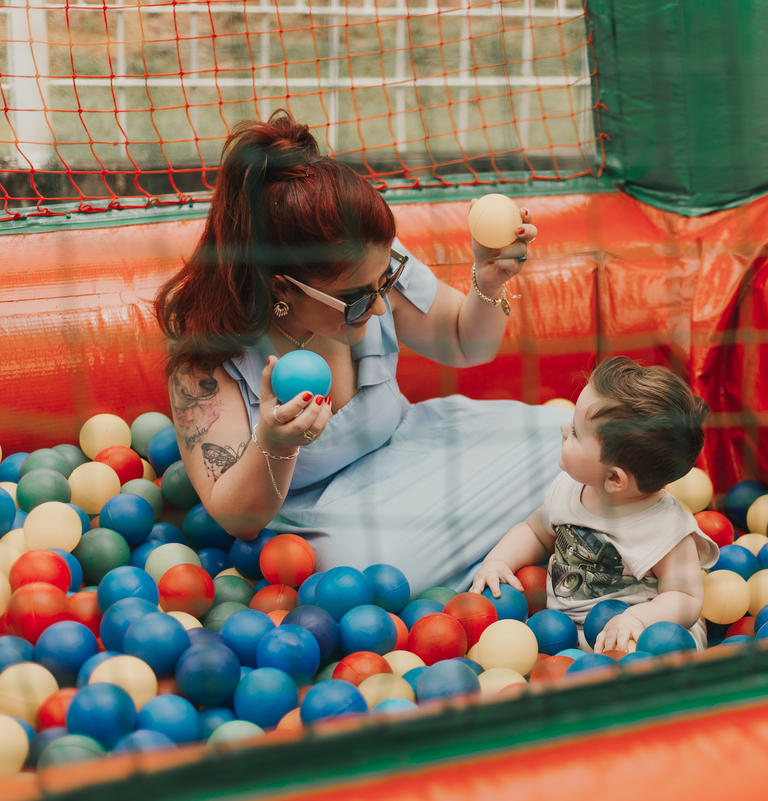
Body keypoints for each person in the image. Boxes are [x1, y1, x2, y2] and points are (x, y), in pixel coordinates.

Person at [154, 109, 569, 594]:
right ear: (283, 288)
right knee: (375, 576)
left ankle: (520, 539)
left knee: (567, 438)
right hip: (328, 511)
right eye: (355, 301)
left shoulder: (370, 266)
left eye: (385, 282)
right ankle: (543, 528)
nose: (378, 307)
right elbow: (237, 519)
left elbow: (464, 343)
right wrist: (275, 442)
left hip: (415, 446)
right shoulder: (206, 352)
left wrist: (489, 281)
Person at [471, 356, 719, 651]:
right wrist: (499, 562)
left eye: (576, 432)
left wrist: (637, 619)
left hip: (639, 637)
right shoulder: (568, 490)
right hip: (561, 634)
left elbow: (686, 597)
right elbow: (534, 532)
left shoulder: (666, 529)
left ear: (614, 478)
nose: (564, 428)